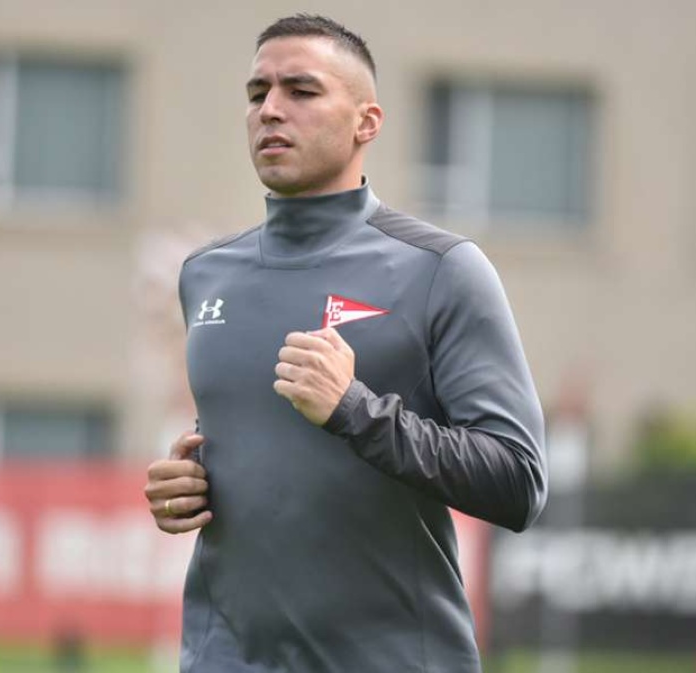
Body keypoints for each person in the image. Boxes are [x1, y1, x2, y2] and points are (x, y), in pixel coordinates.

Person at [144, 14, 547, 673]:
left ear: (366, 122)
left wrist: (355, 411)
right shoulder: (205, 275)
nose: (270, 110)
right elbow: (250, 448)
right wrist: (185, 486)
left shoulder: (440, 269)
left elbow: (517, 482)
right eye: (256, 93)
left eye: (300, 91)